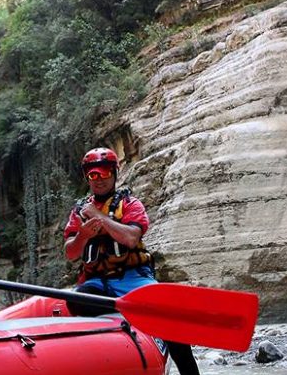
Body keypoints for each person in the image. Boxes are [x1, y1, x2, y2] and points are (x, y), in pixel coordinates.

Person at [63, 147, 199, 375]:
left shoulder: (131, 204)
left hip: (134, 280)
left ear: (115, 174)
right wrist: (84, 235)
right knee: (75, 301)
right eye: (92, 175)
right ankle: (125, 325)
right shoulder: (78, 212)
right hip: (98, 283)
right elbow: (70, 253)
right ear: (87, 177)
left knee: (173, 322)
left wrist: (99, 218)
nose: (98, 180)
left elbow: (130, 237)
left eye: (104, 173)